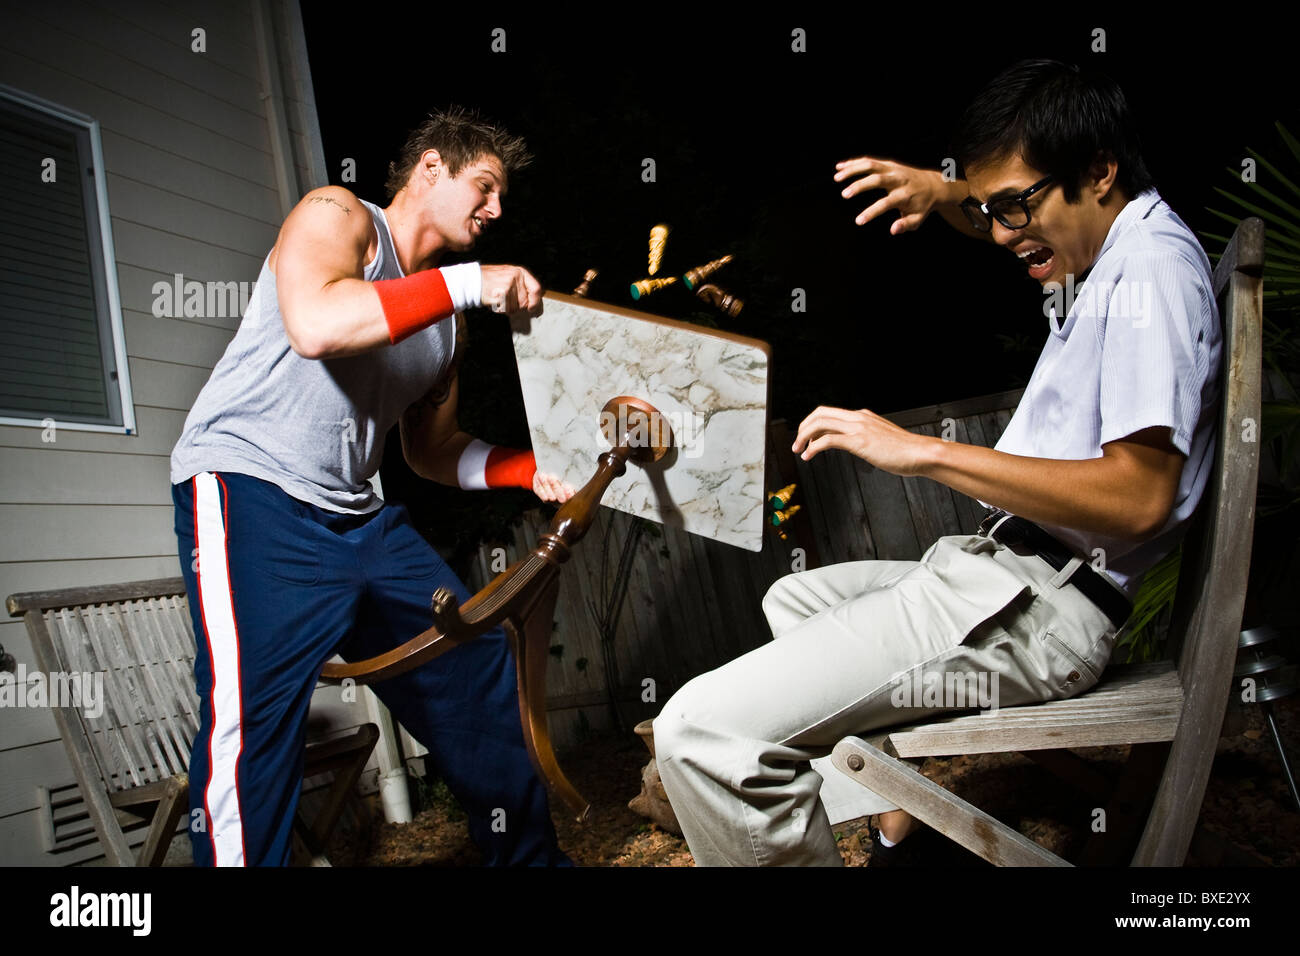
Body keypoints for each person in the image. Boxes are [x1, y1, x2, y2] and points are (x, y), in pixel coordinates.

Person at [653, 60, 1222, 866]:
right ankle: (901, 831)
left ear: (1100, 171)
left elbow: (1139, 498)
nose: (997, 232)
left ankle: (890, 835)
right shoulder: (1103, 262)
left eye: (1015, 206)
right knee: (796, 596)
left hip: (1038, 613)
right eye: (989, 210)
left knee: (696, 730)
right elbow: (1002, 216)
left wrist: (922, 452)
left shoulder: (1150, 275)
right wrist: (945, 191)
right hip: (1012, 582)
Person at [170, 106, 575, 866]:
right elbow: (318, 323)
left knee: (474, 661)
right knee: (250, 720)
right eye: (483, 187)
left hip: (360, 518)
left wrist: (527, 469)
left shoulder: (445, 326)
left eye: (501, 200)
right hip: (252, 492)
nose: (496, 210)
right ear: (430, 167)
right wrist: (468, 282)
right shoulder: (337, 214)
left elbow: (433, 451)